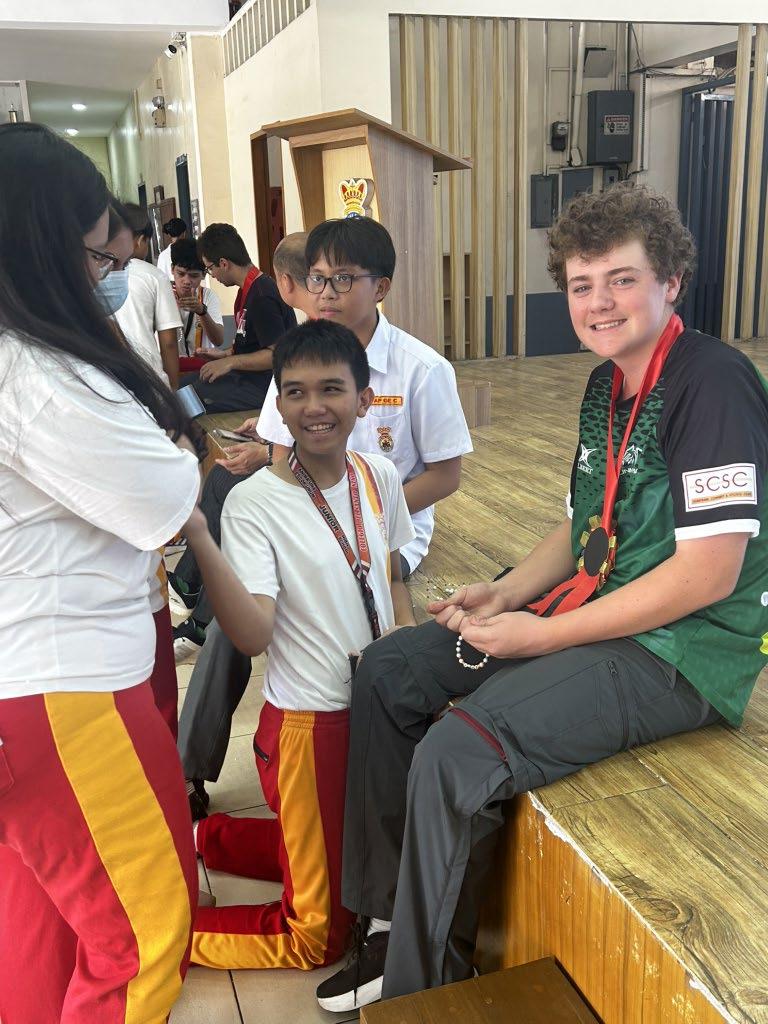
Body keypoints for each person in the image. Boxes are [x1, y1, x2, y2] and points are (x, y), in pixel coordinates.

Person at [316, 184, 768, 1013]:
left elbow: (711, 574)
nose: (599, 303)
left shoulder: (713, 383)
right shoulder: (605, 385)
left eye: (622, 279)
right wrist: (506, 592)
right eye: (582, 284)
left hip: (681, 648)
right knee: (388, 670)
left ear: (672, 281)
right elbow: (584, 527)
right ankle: (388, 923)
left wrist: (543, 635)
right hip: (599, 603)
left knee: (460, 751)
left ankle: (425, 994)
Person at [0, 123, 202, 1023]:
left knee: (41, 923)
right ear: (41, 246)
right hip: (61, 692)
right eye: (94, 256)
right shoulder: (32, 372)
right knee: (143, 938)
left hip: (31, 693)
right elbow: (163, 496)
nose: (103, 276)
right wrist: (180, 458)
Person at [175, 218, 472, 822]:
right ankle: (189, 769)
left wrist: (363, 514)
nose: (326, 293)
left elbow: (446, 476)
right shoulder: (298, 358)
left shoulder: (421, 369)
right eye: (317, 279)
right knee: (238, 622)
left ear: (380, 287)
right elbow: (280, 457)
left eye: (343, 279)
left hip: (390, 530)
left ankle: (395, 749)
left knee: (362, 605)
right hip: (307, 521)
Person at [181, 319, 416, 971]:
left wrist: (405, 649)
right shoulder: (254, 504)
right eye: (296, 392)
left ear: (364, 400)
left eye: (332, 389)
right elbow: (254, 634)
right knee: (318, 936)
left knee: (346, 853)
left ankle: (203, 837)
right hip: (309, 730)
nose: (315, 407)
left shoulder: (378, 476)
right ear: (277, 407)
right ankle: (151, 934)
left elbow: (392, 576)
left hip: (377, 711)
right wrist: (199, 535)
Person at [179, 222, 296, 412]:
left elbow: (278, 355)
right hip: (247, 377)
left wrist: (230, 362)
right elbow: (253, 345)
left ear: (224, 263)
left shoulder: (262, 295)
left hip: (266, 386)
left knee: (190, 400)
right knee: (184, 386)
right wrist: (224, 355)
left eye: (210, 269)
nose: (212, 275)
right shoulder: (247, 291)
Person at [114, 202, 182, 389]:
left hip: (110, 381)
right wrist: (173, 389)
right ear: (140, 240)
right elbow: (168, 342)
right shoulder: (154, 276)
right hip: (150, 379)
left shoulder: (96, 274)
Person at [170, 237, 225, 363]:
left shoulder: (208, 296)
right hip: (172, 365)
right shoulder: (163, 294)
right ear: (172, 269)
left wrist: (202, 311)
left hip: (202, 366)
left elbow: (219, 340)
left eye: (194, 276)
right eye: (181, 274)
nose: (186, 281)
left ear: (204, 274)